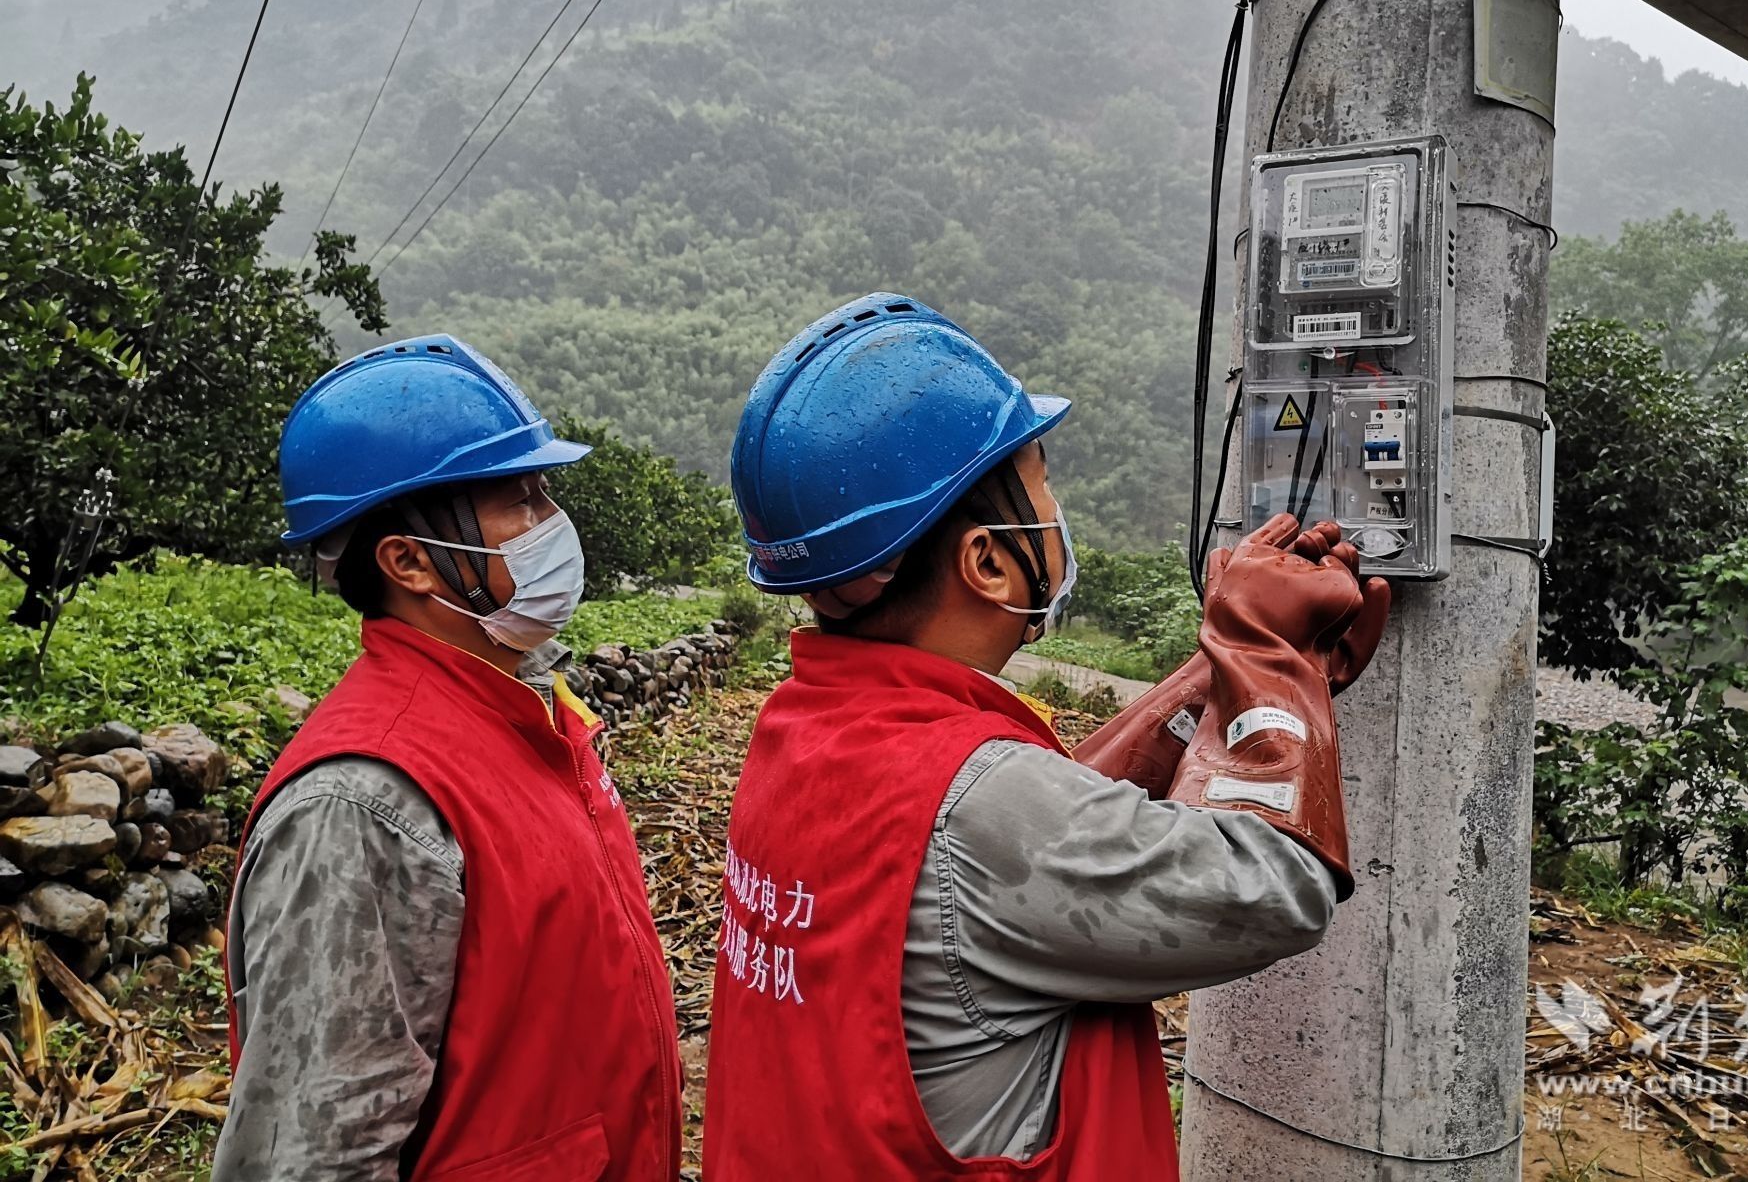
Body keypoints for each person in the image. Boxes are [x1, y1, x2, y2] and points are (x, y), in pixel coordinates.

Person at [702, 293, 1390, 1180]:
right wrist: (1260, 654)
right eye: (1040, 479)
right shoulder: (979, 806)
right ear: (987, 561)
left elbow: (1049, 810)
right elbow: (1271, 885)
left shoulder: (812, 730)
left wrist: (1219, 676)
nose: (1054, 503)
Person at [213, 335, 682, 1182]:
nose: (555, 525)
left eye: (547, 493)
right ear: (410, 562)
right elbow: (317, 1153)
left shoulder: (522, 713)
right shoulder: (363, 804)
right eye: (522, 500)